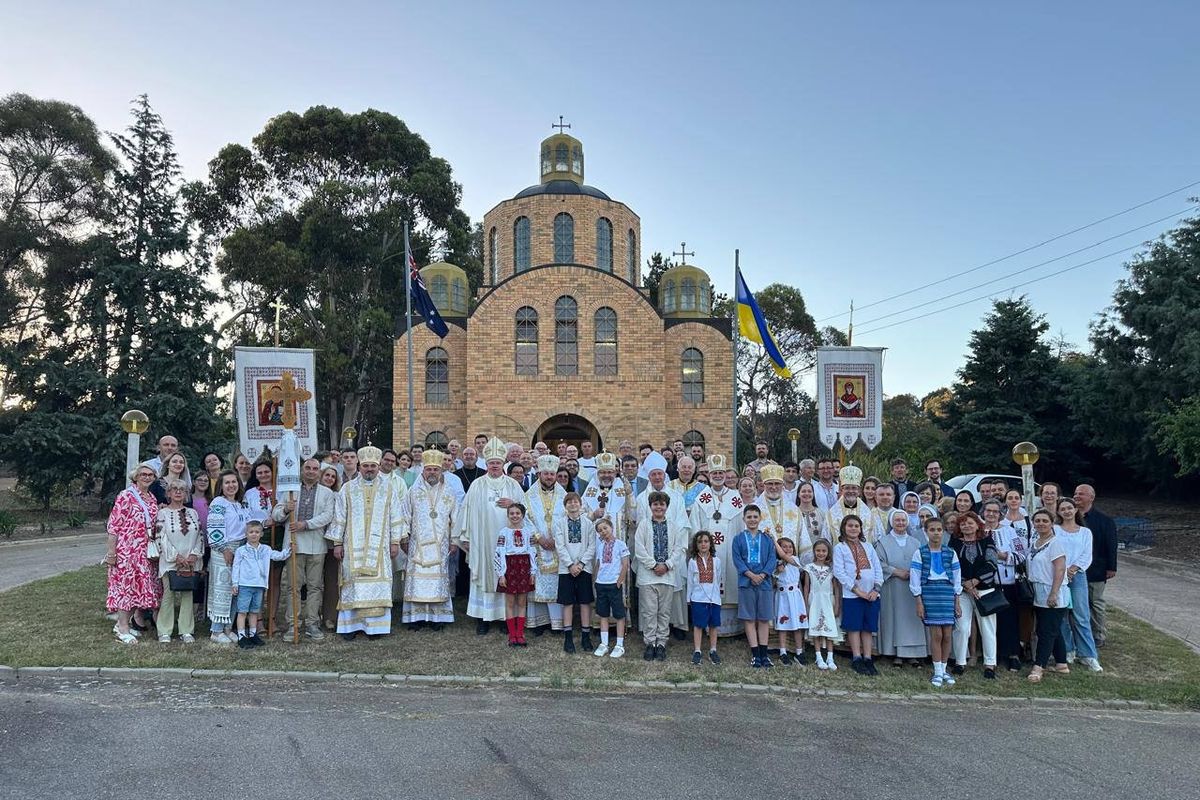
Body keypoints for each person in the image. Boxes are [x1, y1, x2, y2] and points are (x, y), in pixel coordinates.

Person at [327, 446, 406, 640]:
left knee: (378, 585)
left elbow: (396, 516)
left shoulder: (389, 489)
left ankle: (375, 628)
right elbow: (340, 516)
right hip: (352, 548)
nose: (369, 469)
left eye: (373, 466)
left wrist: (395, 541)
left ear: (378, 466)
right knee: (352, 585)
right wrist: (337, 543)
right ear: (359, 466)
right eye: (365, 466)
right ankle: (351, 627)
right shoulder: (348, 488)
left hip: (380, 548)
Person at [457, 437, 527, 634]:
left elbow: (524, 509)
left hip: (509, 543)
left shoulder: (513, 485)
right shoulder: (477, 485)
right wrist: (466, 537)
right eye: (491, 463)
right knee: (485, 573)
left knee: (507, 575)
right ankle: (483, 618)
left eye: (498, 463)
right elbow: (466, 511)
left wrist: (513, 503)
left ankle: (506, 618)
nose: (495, 466)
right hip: (483, 539)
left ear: (503, 463)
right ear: (486, 464)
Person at [272, 457, 335, 640]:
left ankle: (312, 624)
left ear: (319, 472)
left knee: (315, 587)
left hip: (316, 545)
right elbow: (276, 514)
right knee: (293, 587)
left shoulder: (326, 493)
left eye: (315, 469)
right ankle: (294, 625)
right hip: (294, 545)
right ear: (302, 470)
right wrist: (285, 510)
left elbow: (327, 516)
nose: (311, 471)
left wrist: (305, 524)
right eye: (308, 468)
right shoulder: (290, 491)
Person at [396, 450, 459, 631]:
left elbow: (456, 518)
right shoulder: (413, 492)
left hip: (441, 544)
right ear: (423, 470)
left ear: (441, 472)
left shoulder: (449, 492)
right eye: (429, 469)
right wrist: (403, 538)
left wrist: (454, 540)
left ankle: (436, 617)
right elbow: (405, 515)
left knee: (437, 581)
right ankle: (415, 618)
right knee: (417, 581)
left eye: (436, 470)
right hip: (417, 543)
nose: (432, 473)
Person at [104, 462, 162, 644]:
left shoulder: (151, 498)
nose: (146, 477)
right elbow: (114, 526)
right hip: (127, 550)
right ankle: (122, 628)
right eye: (143, 474)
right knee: (125, 588)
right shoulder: (127, 495)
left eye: (150, 475)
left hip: (144, 551)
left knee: (138, 588)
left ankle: (124, 623)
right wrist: (111, 553)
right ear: (136, 476)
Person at [688, 455, 740, 636]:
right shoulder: (701, 498)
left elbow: (740, 526)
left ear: (725, 474)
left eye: (720, 472)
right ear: (709, 475)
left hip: (729, 553)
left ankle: (730, 628)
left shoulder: (735, 497)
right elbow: (695, 525)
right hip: (705, 553)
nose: (717, 475)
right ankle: (704, 626)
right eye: (714, 473)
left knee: (729, 580)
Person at [634, 491, 687, 661]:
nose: (658, 507)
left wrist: (667, 565)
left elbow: (679, 549)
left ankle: (661, 643)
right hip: (648, 576)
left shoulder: (673, 526)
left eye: (662, 504)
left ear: (666, 506)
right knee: (649, 612)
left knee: (664, 612)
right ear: (650, 506)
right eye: (655, 504)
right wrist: (654, 565)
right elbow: (639, 549)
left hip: (667, 575)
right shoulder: (643, 524)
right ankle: (650, 643)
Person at [910, 517, 962, 687]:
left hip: (946, 593)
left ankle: (945, 668)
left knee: (947, 634)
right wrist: (918, 601)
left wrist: (957, 601)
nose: (936, 533)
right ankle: (937, 670)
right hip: (930, 592)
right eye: (932, 530)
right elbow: (915, 578)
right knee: (936, 634)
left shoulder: (950, 552)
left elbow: (956, 578)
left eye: (939, 530)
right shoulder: (920, 552)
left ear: (943, 532)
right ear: (926, 532)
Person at [1055, 497, 1103, 672]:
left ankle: (1088, 654)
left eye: (1070, 508)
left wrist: (1073, 569)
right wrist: (1062, 569)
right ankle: (1068, 650)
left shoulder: (1085, 532)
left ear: (1075, 510)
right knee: (1061, 615)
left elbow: (1086, 555)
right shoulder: (1055, 530)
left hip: (1077, 576)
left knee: (1081, 615)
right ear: (1059, 512)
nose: (1067, 511)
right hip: (1058, 575)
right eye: (1063, 509)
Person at [951, 512, 999, 678]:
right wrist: (966, 584)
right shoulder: (954, 543)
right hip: (963, 591)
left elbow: (992, 563)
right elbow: (951, 565)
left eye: (970, 523)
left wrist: (975, 581)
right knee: (962, 627)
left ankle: (990, 664)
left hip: (984, 590)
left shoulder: (987, 541)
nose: (966, 526)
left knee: (987, 627)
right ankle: (959, 662)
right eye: (963, 523)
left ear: (978, 524)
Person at [876, 508, 928, 665]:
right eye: (897, 520)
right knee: (895, 619)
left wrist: (914, 573)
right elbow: (878, 563)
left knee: (912, 619)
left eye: (903, 520)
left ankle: (913, 654)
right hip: (892, 586)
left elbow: (923, 561)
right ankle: (895, 653)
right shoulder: (882, 542)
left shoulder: (916, 542)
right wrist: (895, 571)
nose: (900, 523)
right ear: (891, 522)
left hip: (912, 587)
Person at [154, 479, 204, 643]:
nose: (178, 492)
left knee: (187, 594)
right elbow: (161, 538)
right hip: (171, 561)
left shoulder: (193, 513)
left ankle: (186, 630)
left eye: (182, 489)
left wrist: (194, 555)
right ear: (168, 493)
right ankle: (164, 631)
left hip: (190, 561)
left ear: (186, 493)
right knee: (168, 595)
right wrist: (176, 557)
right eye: (174, 489)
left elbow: (200, 536)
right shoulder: (163, 513)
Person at [833, 515, 882, 675]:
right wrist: (856, 590)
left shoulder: (868, 547)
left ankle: (868, 658)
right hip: (852, 594)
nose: (853, 528)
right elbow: (839, 572)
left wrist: (876, 589)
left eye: (856, 526)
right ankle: (856, 657)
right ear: (844, 528)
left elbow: (877, 567)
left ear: (860, 529)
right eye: (850, 526)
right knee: (854, 627)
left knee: (868, 627)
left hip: (871, 594)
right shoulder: (840, 548)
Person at [205, 469, 250, 644]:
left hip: (241, 548)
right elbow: (214, 529)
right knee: (222, 589)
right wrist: (224, 549)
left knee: (235, 589)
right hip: (223, 549)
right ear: (221, 486)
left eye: (234, 482)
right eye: (227, 482)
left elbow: (249, 524)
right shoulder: (219, 503)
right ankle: (216, 631)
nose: (231, 485)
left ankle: (228, 627)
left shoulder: (240, 504)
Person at [1026, 509, 1071, 682]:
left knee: (1046, 631)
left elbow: (1060, 569)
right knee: (1054, 629)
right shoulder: (1035, 542)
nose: (1041, 524)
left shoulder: (1055, 543)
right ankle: (1061, 663)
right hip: (1038, 590)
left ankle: (1039, 667)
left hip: (1052, 590)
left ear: (1052, 523)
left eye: (1045, 520)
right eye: (1037, 521)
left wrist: (1054, 593)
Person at [231, 520, 290, 648]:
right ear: (246, 534)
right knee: (243, 611)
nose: (254, 534)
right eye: (251, 532)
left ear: (261, 534)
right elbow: (236, 567)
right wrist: (235, 583)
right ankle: (242, 635)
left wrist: (288, 551)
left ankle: (253, 634)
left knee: (254, 611)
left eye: (257, 532)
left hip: (259, 585)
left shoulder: (265, 549)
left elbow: (277, 556)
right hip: (245, 585)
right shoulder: (241, 551)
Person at [525, 454, 566, 633]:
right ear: (539, 474)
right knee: (537, 583)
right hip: (537, 545)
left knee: (556, 585)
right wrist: (539, 537)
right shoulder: (528, 495)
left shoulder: (565, 496)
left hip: (557, 547)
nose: (549, 477)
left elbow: (570, 517)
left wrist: (556, 540)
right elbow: (525, 517)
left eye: (552, 474)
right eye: (546, 474)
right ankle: (538, 622)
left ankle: (556, 623)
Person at [732, 505, 777, 669]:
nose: (752, 520)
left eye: (755, 517)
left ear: (760, 518)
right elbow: (737, 560)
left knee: (764, 618)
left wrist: (763, 575)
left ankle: (765, 654)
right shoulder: (738, 539)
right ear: (744, 519)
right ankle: (755, 654)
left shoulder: (767, 539)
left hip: (764, 583)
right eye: (749, 517)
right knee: (749, 618)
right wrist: (750, 575)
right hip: (746, 582)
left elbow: (772, 559)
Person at [1075, 484, 1118, 648]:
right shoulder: (1070, 518)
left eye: (1082, 494)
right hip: (1075, 570)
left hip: (1096, 569)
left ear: (1091, 497)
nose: (1077, 496)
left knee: (1096, 602)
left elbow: (1111, 545)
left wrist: (1111, 567)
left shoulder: (1104, 520)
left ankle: (1098, 634)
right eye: (1076, 493)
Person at [985, 498, 1025, 671]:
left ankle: (1013, 654)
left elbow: (1021, 555)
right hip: (986, 582)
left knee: (1009, 619)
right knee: (989, 621)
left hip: (1006, 582)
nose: (991, 514)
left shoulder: (1010, 532)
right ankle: (992, 654)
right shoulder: (978, 530)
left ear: (1000, 514)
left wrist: (1002, 557)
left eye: (995, 511)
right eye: (988, 511)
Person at [554, 491, 596, 653]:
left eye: (575, 502)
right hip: (566, 569)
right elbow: (560, 545)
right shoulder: (560, 523)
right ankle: (568, 636)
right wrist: (571, 564)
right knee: (568, 602)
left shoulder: (588, 524)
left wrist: (582, 563)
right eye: (569, 502)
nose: (573, 504)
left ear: (581, 504)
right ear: (565, 506)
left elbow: (592, 546)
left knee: (585, 602)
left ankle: (585, 636)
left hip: (584, 568)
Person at [493, 503, 535, 647]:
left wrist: (533, 572)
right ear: (508, 515)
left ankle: (520, 633)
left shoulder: (528, 531)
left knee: (522, 602)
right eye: (512, 513)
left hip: (523, 566)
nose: (515, 516)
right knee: (510, 602)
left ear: (522, 515)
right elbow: (499, 553)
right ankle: (512, 634)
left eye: (518, 513)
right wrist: (501, 574)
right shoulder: (503, 532)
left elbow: (532, 552)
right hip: (509, 567)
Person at [757, 463, 814, 563]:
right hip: (763, 565)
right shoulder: (754, 509)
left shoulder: (794, 509)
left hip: (790, 565)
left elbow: (803, 539)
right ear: (764, 485)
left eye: (777, 483)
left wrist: (804, 567)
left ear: (782, 485)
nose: (774, 487)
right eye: (770, 483)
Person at [591, 518, 629, 658]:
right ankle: (604, 643)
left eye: (605, 528)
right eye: (600, 530)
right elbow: (599, 563)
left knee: (619, 614)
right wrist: (595, 579)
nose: (603, 532)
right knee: (603, 614)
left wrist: (620, 581)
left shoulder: (620, 544)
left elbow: (625, 564)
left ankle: (619, 644)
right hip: (601, 584)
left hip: (614, 583)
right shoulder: (600, 546)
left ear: (611, 527)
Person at [803, 538, 840, 670]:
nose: (821, 553)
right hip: (814, 600)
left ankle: (830, 657)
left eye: (823, 551)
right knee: (816, 628)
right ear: (814, 552)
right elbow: (806, 586)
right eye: (818, 550)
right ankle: (818, 657)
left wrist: (837, 606)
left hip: (828, 600)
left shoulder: (831, 569)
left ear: (828, 552)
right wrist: (806, 604)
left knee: (829, 627)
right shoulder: (809, 568)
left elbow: (835, 588)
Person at [687, 531, 722, 665]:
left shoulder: (716, 561)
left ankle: (713, 650)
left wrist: (717, 596)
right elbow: (690, 580)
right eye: (700, 542)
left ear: (710, 543)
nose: (703, 544)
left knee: (713, 625)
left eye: (706, 541)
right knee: (698, 625)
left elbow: (718, 579)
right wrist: (689, 598)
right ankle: (697, 651)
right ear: (696, 544)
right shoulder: (692, 561)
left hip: (713, 598)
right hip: (697, 598)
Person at [773, 537, 808, 665]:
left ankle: (799, 652)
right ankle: (783, 652)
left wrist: (773, 540)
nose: (788, 549)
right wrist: (777, 571)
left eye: (790, 546)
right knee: (783, 625)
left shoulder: (795, 560)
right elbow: (773, 582)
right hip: (782, 596)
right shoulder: (776, 564)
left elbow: (784, 556)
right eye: (784, 546)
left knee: (798, 625)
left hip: (795, 596)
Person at [823, 465, 876, 544]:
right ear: (842, 489)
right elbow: (826, 540)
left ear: (859, 490)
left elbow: (875, 539)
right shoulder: (831, 514)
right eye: (847, 488)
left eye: (854, 488)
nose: (851, 491)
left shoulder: (868, 513)